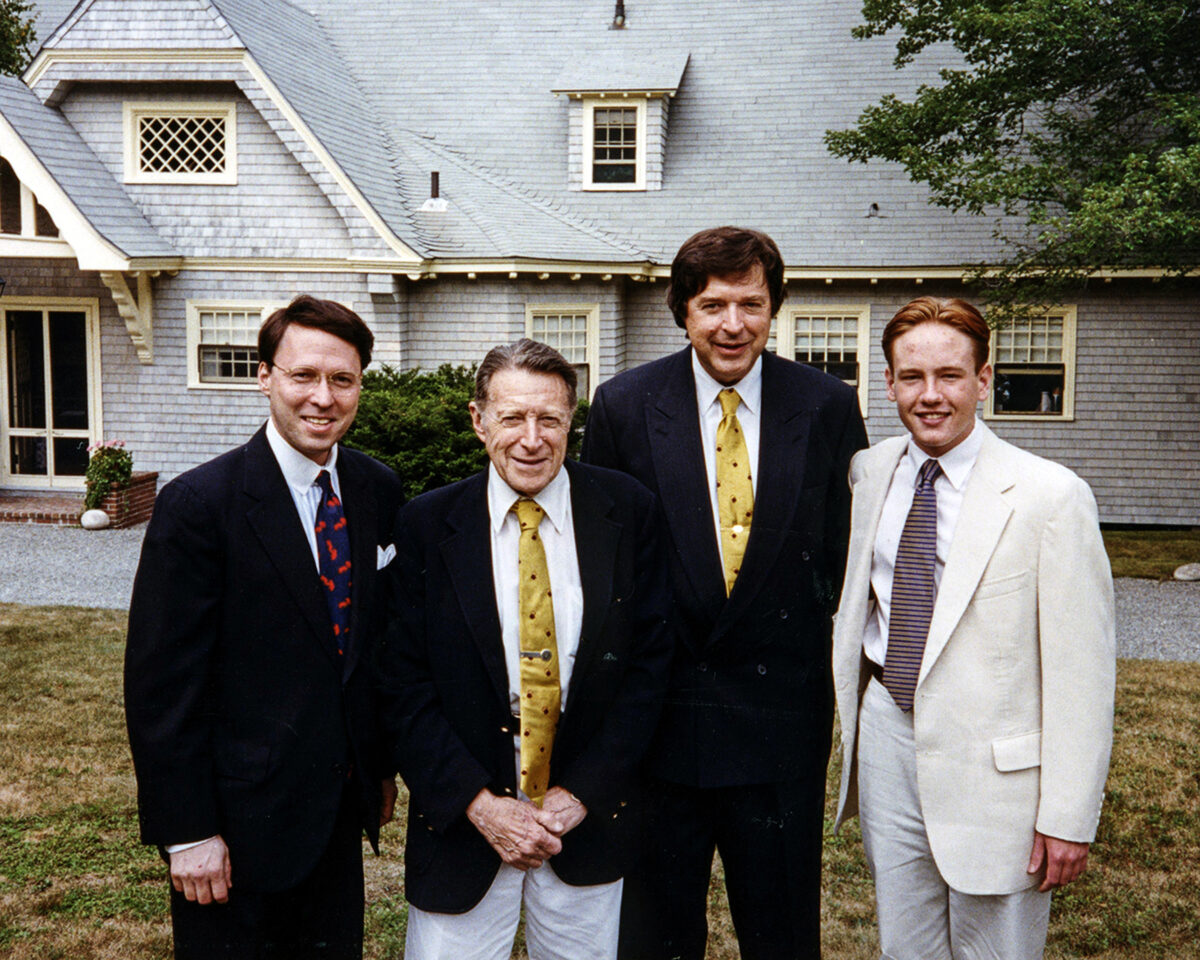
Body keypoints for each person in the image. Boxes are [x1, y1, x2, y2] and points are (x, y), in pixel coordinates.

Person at [582, 226, 868, 959]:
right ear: (683, 310)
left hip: (779, 731)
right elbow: (603, 573)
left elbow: (843, 557)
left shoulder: (827, 406)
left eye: (752, 303)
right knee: (655, 937)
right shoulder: (625, 406)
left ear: (775, 309)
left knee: (781, 936)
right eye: (713, 305)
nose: (733, 324)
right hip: (661, 730)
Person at [831, 296, 1115, 959]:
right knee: (906, 945)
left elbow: (1082, 674)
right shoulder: (871, 474)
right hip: (888, 741)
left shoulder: (1050, 496)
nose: (930, 396)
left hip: (998, 774)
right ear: (890, 383)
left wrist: (1067, 817)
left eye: (950, 376)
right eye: (911, 377)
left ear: (984, 379)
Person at [125, 294, 405, 959]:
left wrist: (381, 769)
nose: (323, 397)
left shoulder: (376, 490)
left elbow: (369, 651)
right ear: (265, 377)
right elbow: (162, 685)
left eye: (342, 379)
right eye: (303, 375)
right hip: (234, 833)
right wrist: (188, 834)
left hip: (335, 819)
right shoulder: (201, 505)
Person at [377, 339, 673, 960]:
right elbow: (402, 683)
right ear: (478, 420)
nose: (531, 439)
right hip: (464, 827)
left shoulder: (629, 512)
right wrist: (478, 805)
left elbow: (648, 672)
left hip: (583, 829)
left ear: (573, 422)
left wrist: (584, 792)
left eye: (550, 419)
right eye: (512, 418)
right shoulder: (428, 525)